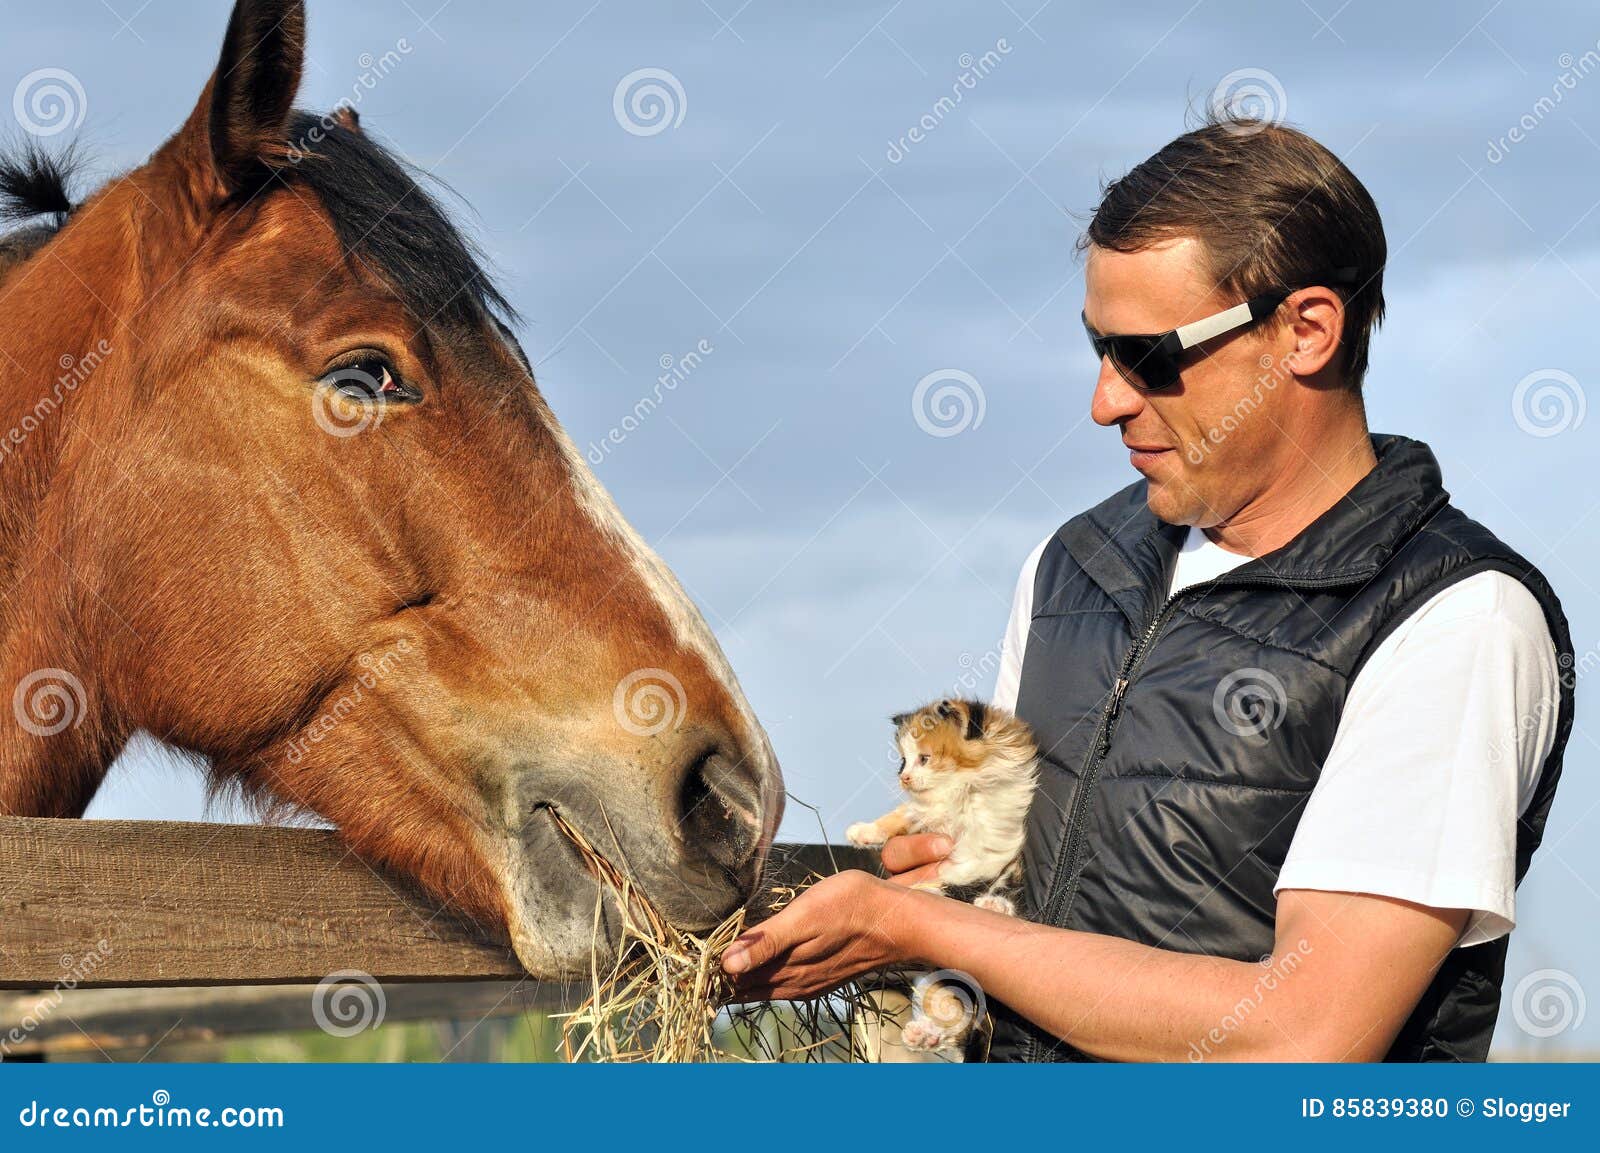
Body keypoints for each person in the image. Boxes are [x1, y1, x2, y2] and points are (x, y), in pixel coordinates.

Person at [720, 114, 1575, 1062]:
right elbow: (1007, 908)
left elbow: (1305, 1036)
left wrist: (924, 931)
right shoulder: (1071, 564)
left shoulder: (1456, 618)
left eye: (1151, 356)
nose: (1106, 400)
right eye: (1097, 346)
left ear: (1307, 330)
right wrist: (929, 887)